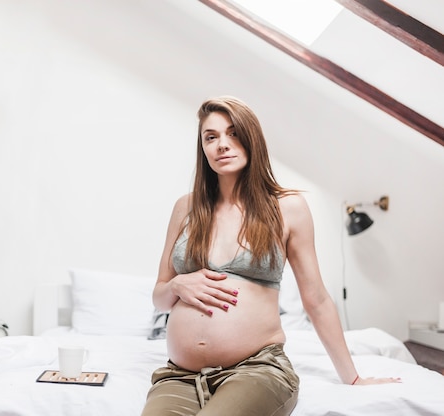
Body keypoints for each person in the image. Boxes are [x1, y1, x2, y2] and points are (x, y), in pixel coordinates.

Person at [141, 96, 399, 416]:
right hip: (180, 376)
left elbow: (316, 298)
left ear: (252, 139)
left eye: (233, 133)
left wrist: (353, 377)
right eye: (211, 137)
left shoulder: (288, 208)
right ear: (203, 148)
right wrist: (177, 285)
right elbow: (160, 296)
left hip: (256, 369)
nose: (222, 144)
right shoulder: (186, 207)